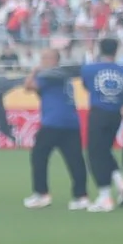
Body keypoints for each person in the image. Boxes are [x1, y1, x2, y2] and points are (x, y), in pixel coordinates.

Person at [24, 48, 88, 210]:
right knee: (75, 160)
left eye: (45, 58)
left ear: (54, 60)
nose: (42, 61)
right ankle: (81, 196)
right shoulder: (65, 76)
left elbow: (29, 86)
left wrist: (34, 71)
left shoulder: (49, 75)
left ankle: (42, 194)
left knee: (39, 156)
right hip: (71, 122)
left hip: (53, 122)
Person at [81, 36, 123, 211]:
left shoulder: (90, 69)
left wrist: (89, 52)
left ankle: (104, 196)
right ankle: (121, 183)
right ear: (116, 51)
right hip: (115, 115)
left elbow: (87, 85)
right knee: (104, 151)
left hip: (99, 113)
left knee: (95, 154)